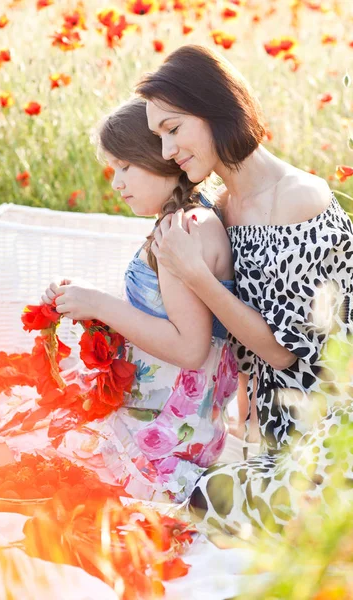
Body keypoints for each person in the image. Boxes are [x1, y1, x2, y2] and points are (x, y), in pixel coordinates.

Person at [136, 44, 353, 533]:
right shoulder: (220, 207)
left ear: (215, 109)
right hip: (280, 433)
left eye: (173, 129)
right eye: (159, 137)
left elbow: (283, 352)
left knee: (210, 504)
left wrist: (196, 274)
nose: (167, 150)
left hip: (336, 416)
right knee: (198, 496)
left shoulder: (297, 198)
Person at [41, 97, 239, 502]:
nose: (116, 182)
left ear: (159, 157)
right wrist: (81, 298)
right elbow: (162, 312)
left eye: (125, 166)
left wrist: (99, 304)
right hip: (167, 413)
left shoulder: (181, 230)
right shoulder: (185, 218)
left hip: (167, 434)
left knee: (36, 444)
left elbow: (189, 347)